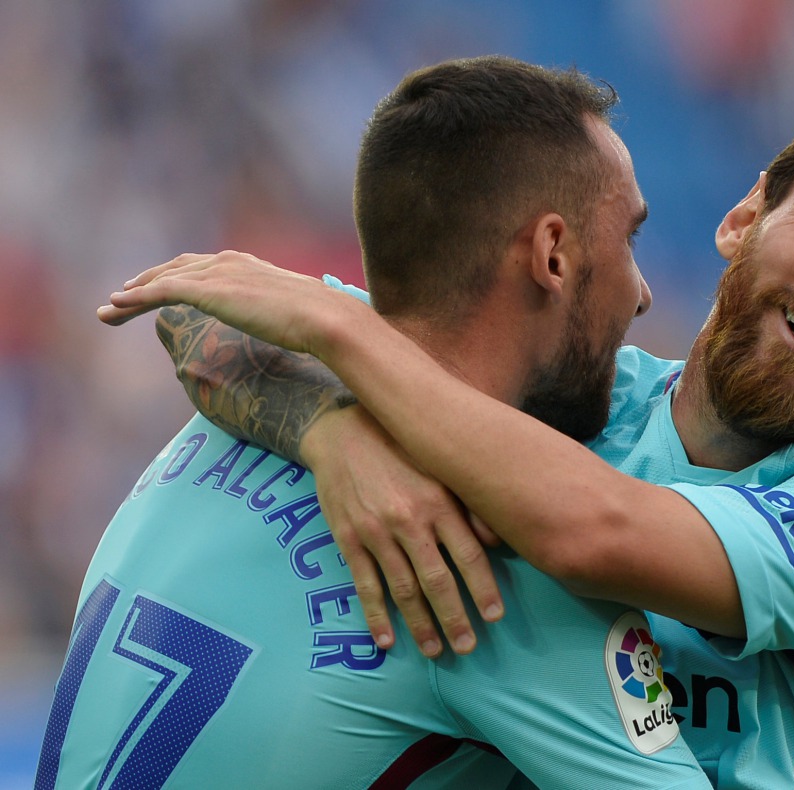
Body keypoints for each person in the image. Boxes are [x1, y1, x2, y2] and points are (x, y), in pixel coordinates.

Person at [102, 78, 794, 788]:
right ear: (745, 218)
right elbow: (205, 315)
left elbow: (594, 533)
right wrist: (332, 432)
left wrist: (344, 338)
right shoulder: (568, 391)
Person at [37, 56, 714, 789]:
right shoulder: (476, 567)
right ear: (552, 254)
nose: (643, 294)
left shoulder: (260, 382)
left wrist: (329, 429)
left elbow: (194, 309)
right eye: (630, 240)